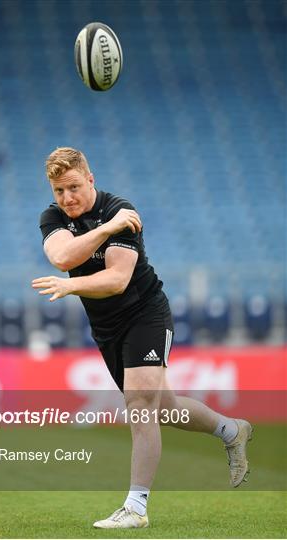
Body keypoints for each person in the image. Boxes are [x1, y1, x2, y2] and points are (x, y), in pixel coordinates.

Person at [32, 147, 252, 529]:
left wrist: (72, 286)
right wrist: (105, 229)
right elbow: (62, 258)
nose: (66, 198)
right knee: (164, 408)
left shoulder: (122, 208)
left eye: (72, 187)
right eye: (58, 191)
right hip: (106, 328)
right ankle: (231, 430)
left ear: (90, 179)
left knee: (139, 403)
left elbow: (117, 282)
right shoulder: (56, 217)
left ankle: (136, 508)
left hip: (145, 314)